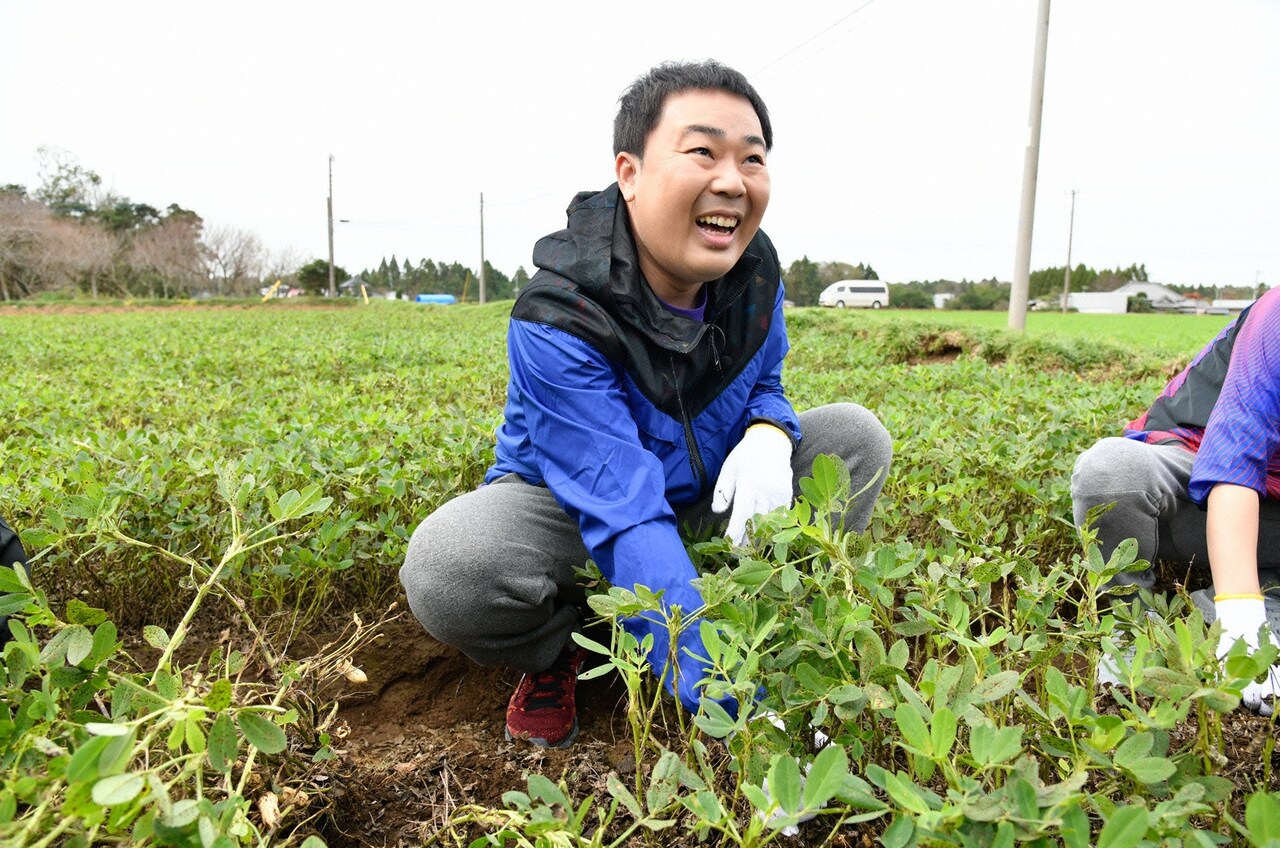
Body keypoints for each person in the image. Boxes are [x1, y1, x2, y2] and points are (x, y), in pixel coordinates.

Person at [399, 60, 892, 748]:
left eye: (752, 158)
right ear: (629, 174)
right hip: (580, 508)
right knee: (451, 566)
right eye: (702, 152)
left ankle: (757, 620)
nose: (732, 180)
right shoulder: (561, 314)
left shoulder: (753, 271)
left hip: (700, 491)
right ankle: (567, 646)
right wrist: (726, 697)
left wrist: (770, 432)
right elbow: (622, 509)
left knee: (854, 439)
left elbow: (765, 382)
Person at [1072, 286, 1280, 714]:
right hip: (1199, 483)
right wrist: (1241, 617)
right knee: (1112, 471)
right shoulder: (1277, 315)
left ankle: (1262, 603)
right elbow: (1233, 462)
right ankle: (1130, 633)